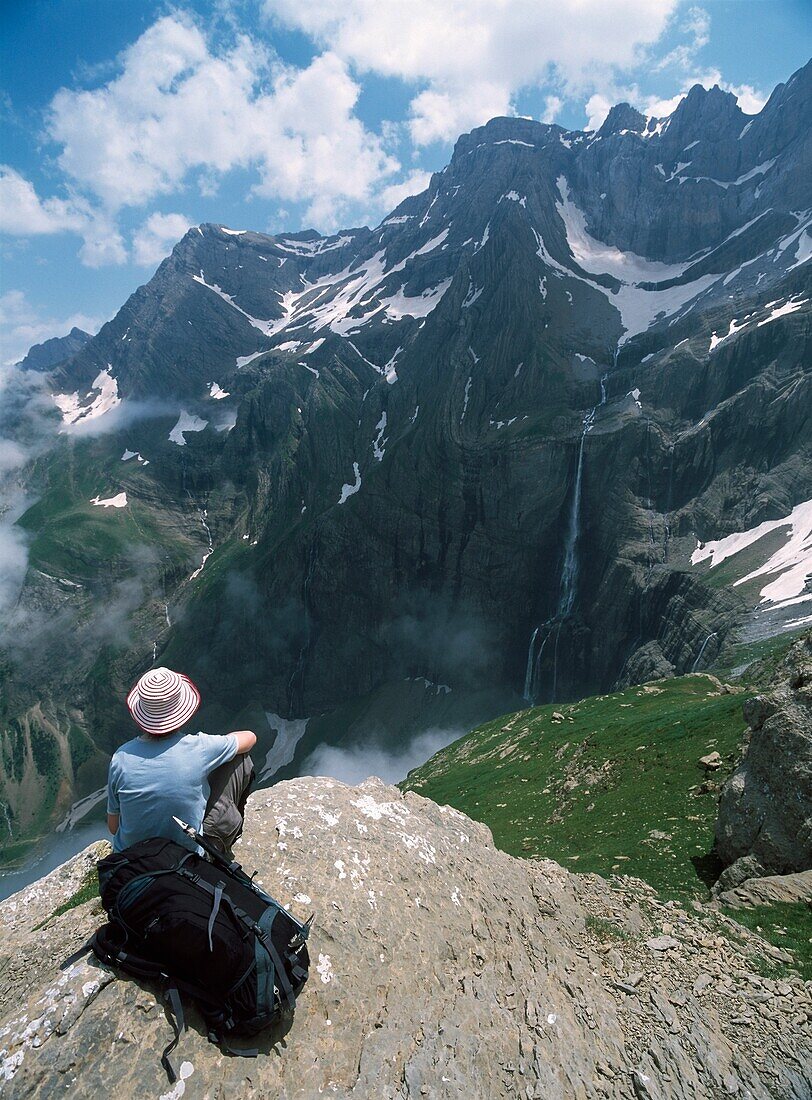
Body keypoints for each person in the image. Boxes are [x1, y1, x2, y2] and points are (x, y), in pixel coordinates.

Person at [106, 666, 256, 856]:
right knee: (239, 758)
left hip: (130, 864)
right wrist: (222, 744)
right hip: (185, 863)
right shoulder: (201, 747)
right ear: (182, 711)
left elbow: (113, 827)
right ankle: (225, 845)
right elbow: (250, 738)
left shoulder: (121, 757)